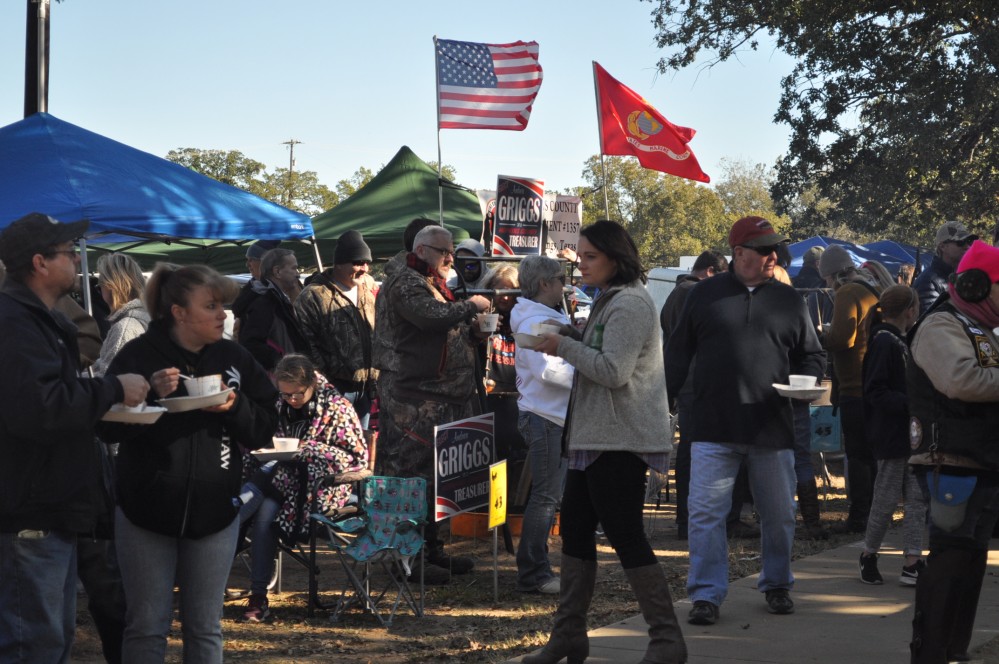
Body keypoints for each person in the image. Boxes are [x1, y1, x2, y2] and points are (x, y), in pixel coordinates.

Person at [99, 263, 278, 662]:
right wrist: (149, 399)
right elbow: (106, 428)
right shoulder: (139, 353)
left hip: (215, 510)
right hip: (144, 509)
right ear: (179, 312)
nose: (223, 315)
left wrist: (235, 406)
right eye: (211, 306)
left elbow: (266, 427)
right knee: (146, 626)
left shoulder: (234, 356)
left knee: (205, 627)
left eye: (223, 306)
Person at [526, 220, 686, 664]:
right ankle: (569, 637)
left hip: (620, 440)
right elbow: (607, 354)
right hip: (594, 437)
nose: (581, 262)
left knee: (625, 535)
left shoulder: (630, 303)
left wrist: (564, 347)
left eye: (590, 256)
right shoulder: (612, 299)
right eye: (580, 254)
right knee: (575, 534)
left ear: (617, 258)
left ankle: (667, 641)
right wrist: (575, 337)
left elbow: (614, 372)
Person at [0, 213, 149, 664]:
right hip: (29, 509)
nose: (78, 262)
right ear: (40, 262)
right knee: (34, 644)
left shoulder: (37, 318)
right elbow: (40, 409)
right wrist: (111, 390)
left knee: (50, 639)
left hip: (49, 503)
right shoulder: (15, 323)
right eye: (70, 253)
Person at [666, 215, 826, 625]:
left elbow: (812, 353)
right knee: (705, 514)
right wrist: (664, 401)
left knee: (778, 515)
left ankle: (776, 584)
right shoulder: (703, 295)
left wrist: (804, 384)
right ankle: (706, 594)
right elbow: (678, 353)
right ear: (739, 254)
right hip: (711, 426)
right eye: (764, 249)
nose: (774, 256)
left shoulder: (790, 300)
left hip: (771, 427)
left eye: (775, 249)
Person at [373, 225, 490, 583]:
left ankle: (431, 549)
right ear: (422, 250)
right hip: (412, 398)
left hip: (436, 395)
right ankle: (406, 559)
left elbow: (440, 329)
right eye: (444, 251)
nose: (450, 258)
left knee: (433, 480)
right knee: (409, 477)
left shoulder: (428, 280)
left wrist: (471, 332)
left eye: (450, 251)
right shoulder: (405, 282)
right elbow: (427, 317)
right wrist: (472, 305)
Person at [907, 240, 999, 663]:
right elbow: (961, 380)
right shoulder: (941, 325)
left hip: (977, 460)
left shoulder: (977, 328)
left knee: (969, 561)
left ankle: (952, 652)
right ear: (978, 285)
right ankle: (933, 655)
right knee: (950, 561)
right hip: (951, 461)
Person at [237, 354, 368, 622]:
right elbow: (261, 440)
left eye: (296, 394)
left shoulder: (337, 408)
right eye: (285, 395)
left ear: (311, 383)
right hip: (280, 481)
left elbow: (356, 460)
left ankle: (256, 595)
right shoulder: (279, 404)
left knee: (259, 510)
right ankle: (255, 594)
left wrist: (307, 450)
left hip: (319, 489)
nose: (291, 400)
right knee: (264, 500)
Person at [509, 257, 573, 595]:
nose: (564, 284)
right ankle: (533, 572)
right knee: (545, 496)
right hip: (546, 416)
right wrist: (588, 373)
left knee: (548, 495)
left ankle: (535, 568)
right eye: (560, 278)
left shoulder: (538, 317)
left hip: (548, 414)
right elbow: (546, 371)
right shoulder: (535, 321)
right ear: (545, 284)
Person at [659, 250, 732, 541]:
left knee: (691, 451)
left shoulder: (674, 295)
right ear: (711, 272)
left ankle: (685, 519)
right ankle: (689, 519)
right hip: (696, 383)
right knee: (695, 452)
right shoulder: (696, 294)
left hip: (683, 382)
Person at [858, 285, 926, 585]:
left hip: (912, 433)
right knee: (886, 499)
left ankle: (912, 560)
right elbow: (875, 390)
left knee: (916, 499)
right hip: (891, 433)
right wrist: (911, 403)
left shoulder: (902, 339)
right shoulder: (884, 342)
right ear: (910, 310)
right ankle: (869, 553)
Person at [818, 244, 883, 533]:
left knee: (857, 455)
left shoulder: (847, 292)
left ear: (831, 275)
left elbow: (842, 339)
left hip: (855, 384)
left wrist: (821, 334)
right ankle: (876, 514)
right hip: (874, 383)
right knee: (872, 454)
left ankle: (859, 518)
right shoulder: (871, 287)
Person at [295, 230, 378, 427]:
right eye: (357, 263)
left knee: (361, 449)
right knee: (337, 447)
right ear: (339, 263)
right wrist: (325, 384)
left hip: (367, 387)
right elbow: (306, 345)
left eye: (367, 263)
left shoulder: (367, 288)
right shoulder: (313, 296)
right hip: (335, 388)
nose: (364, 268)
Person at [240, 247, 308, 371]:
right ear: (277, 272)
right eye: (293, 268)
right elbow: (251, 343)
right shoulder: (265, 303)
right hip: (281, 380)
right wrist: (282, 362)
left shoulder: (278, 300)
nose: (298, 273)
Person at [92, 253, 150, 377]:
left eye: (99, 286)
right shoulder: (144, 317)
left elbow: (110, 379)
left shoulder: (125, 327)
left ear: (110, 287)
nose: (100, 291)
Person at [913, 220, 977, 314]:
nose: (967, 246)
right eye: (961, 242)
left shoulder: (964, 277)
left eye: (969, 241)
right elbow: (933, 321)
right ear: (942, 246)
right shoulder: (928, 281)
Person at [231, 240, 279, 341]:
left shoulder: (286, 287)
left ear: (264, 262)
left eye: (251, 259)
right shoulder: (249, 289)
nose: (247, 264)